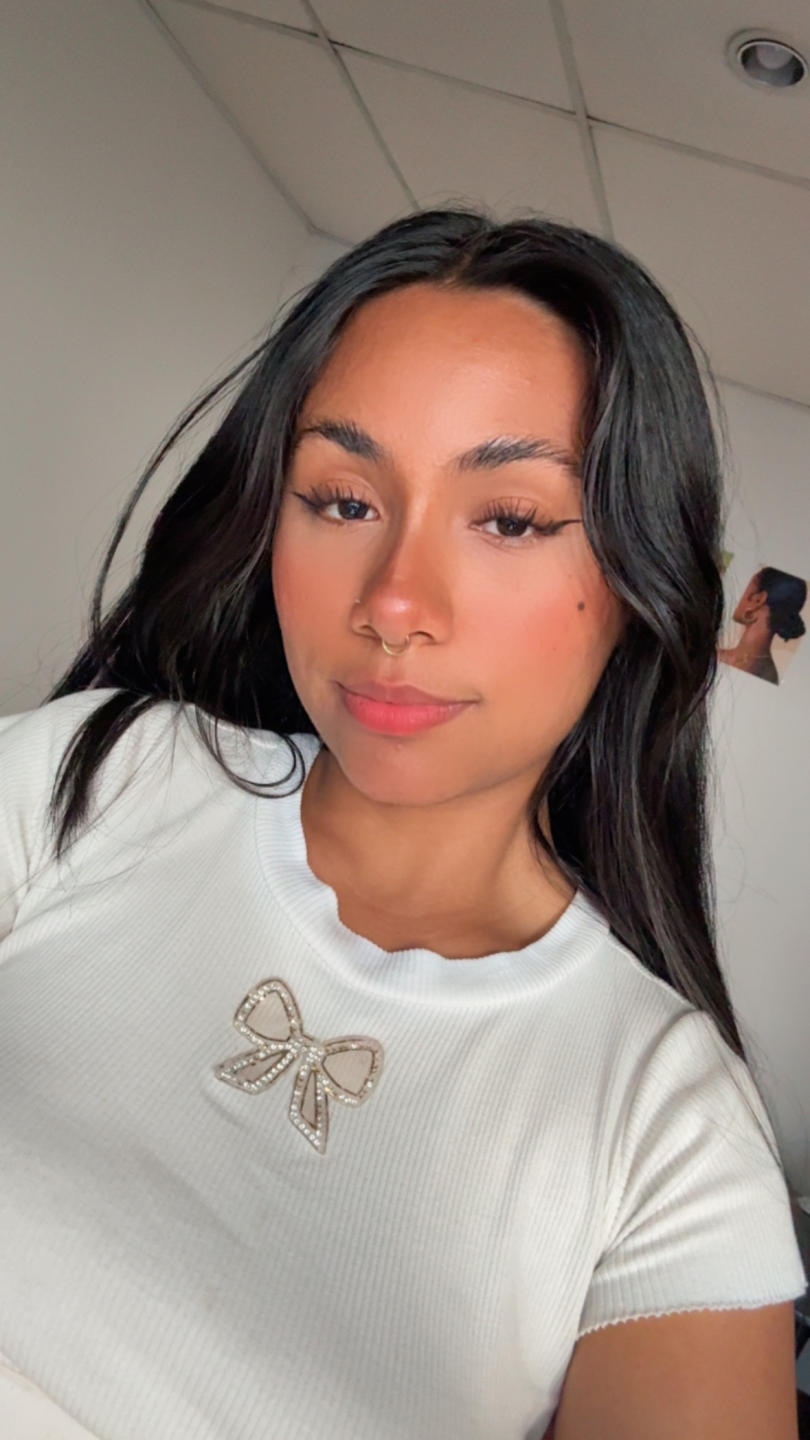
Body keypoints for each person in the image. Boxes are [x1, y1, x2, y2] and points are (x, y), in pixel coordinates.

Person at [0, 207, 806, 1440]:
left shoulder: (666, 1127)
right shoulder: (103, 774)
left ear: (637, 587)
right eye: (341, 500)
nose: (393, 604)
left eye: (510, 519)